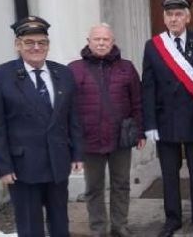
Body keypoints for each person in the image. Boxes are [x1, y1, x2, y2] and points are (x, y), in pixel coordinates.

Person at [0, 16, 83, 237]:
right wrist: (3, 166)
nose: (36, 47)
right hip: (22, 167)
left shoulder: (63, 73)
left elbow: (72, 116)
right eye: (29, 42)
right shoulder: (0, 76)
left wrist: (77, 154)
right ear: (17, 44)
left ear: (48, 44)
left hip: (57, 162)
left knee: (60, 223)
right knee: (30, 226)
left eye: (42, 42)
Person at [142, 0, 193, 237]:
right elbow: (148, 86)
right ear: (164, 18)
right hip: (165, 121)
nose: (174, 19)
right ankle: (172, 219)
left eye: (178, 14)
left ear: (188, 17)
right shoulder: (153, 46)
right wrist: (149, 123)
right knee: (169, 174)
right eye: (169, 14)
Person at [68, 23, 146, 237]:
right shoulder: (74, 69)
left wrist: (139, 132)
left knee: (121, 184)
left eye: (106, 39)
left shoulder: (127, 68)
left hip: (120, 138)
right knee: (93, 187)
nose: (101, 43)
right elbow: (69, 108)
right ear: (89, 41)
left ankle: (119, 225)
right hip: (89, 139)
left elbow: (137, 101)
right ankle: (98, 229)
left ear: (113, 42)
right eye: (97, 39)